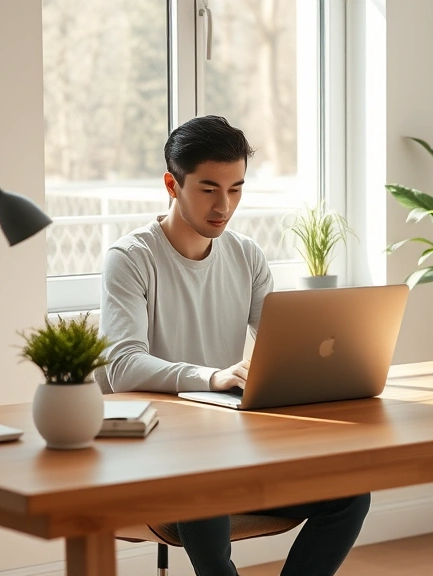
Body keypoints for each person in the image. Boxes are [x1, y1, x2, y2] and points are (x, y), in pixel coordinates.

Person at [99, 115, 369, 576]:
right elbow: (123, 366)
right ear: (172, 183)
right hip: (165, 455)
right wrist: (212, 376)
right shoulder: (131, 259)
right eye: (208, 189)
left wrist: (332, 366)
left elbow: (283, 350)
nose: (224, 205)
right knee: (206, 485)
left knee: (350, 494)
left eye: (236, 189)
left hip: (235, 450)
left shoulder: (246, 255)